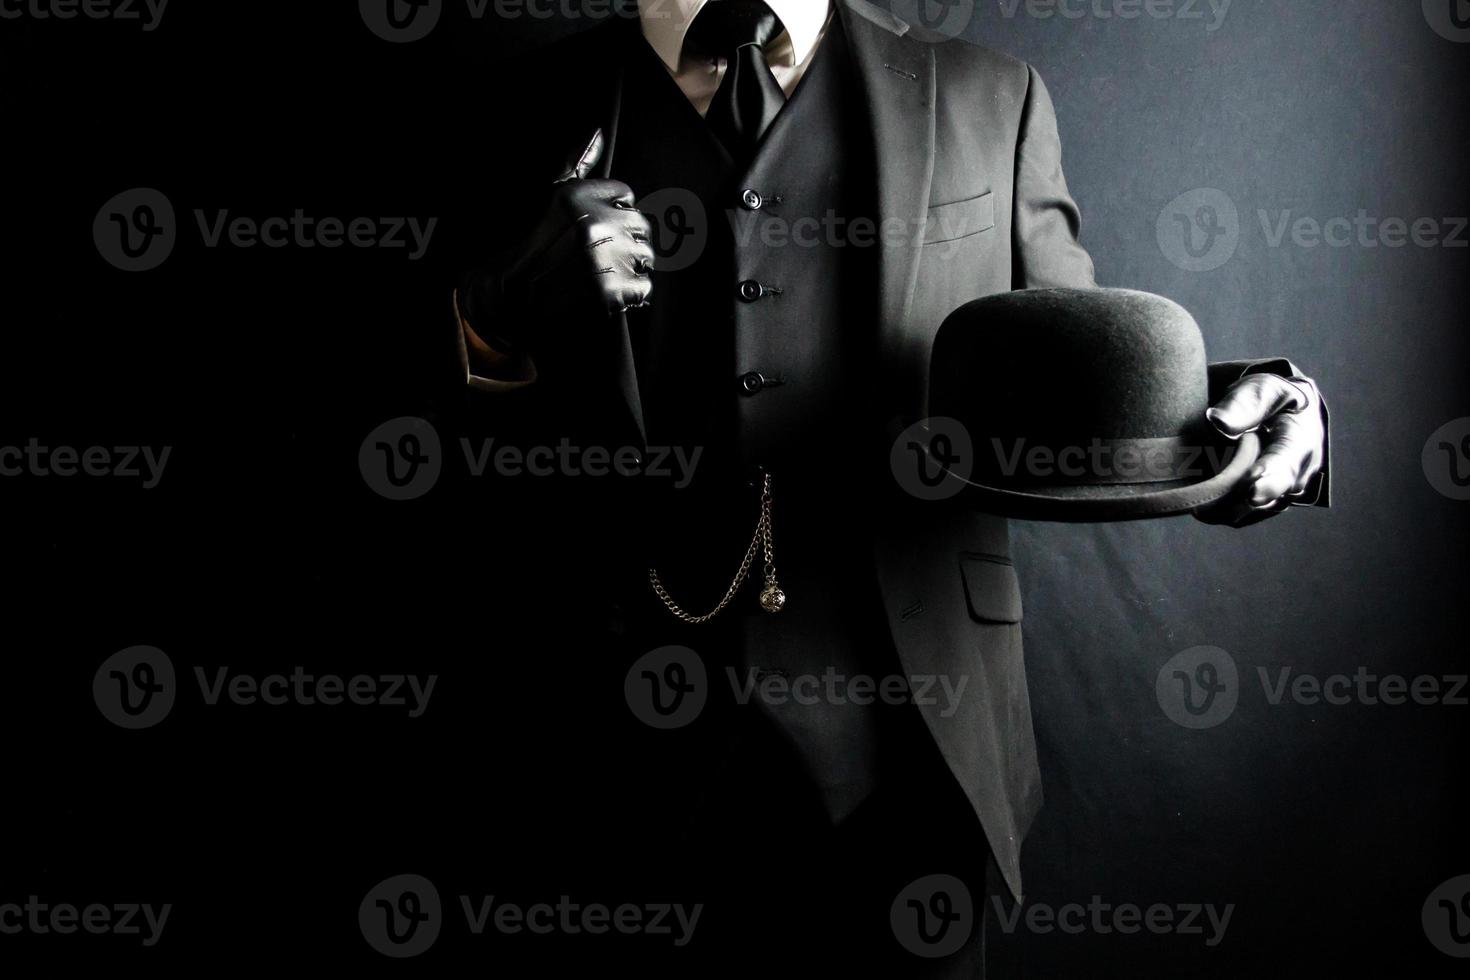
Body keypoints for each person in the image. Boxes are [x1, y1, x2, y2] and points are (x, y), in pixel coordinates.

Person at [442, 1, 1329, 973]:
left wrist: (1245, 429)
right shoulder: (512, 106)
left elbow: (1071, 380)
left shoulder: (994, 95)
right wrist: (485, 322)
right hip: (594, 772)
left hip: (913, 767)